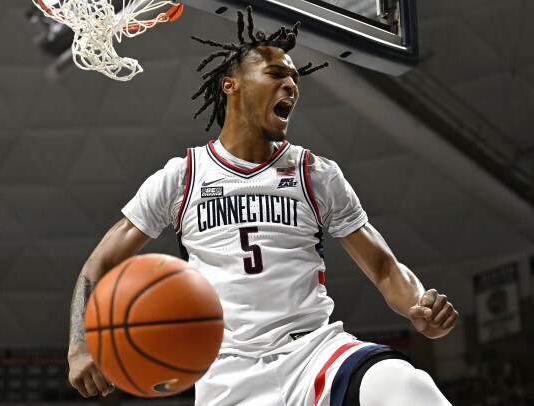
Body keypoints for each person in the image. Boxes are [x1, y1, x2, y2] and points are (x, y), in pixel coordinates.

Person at [67, 7, 458, 405]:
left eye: (294, 78)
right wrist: (79, 346)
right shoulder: (183, 176)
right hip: (227, 372)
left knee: (407, 386)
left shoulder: (314, 173)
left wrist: (417, 305)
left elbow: (384, 267)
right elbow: (97, 266)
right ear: (230, 85)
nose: (291, 85)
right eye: (276, 74)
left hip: (314, 353)